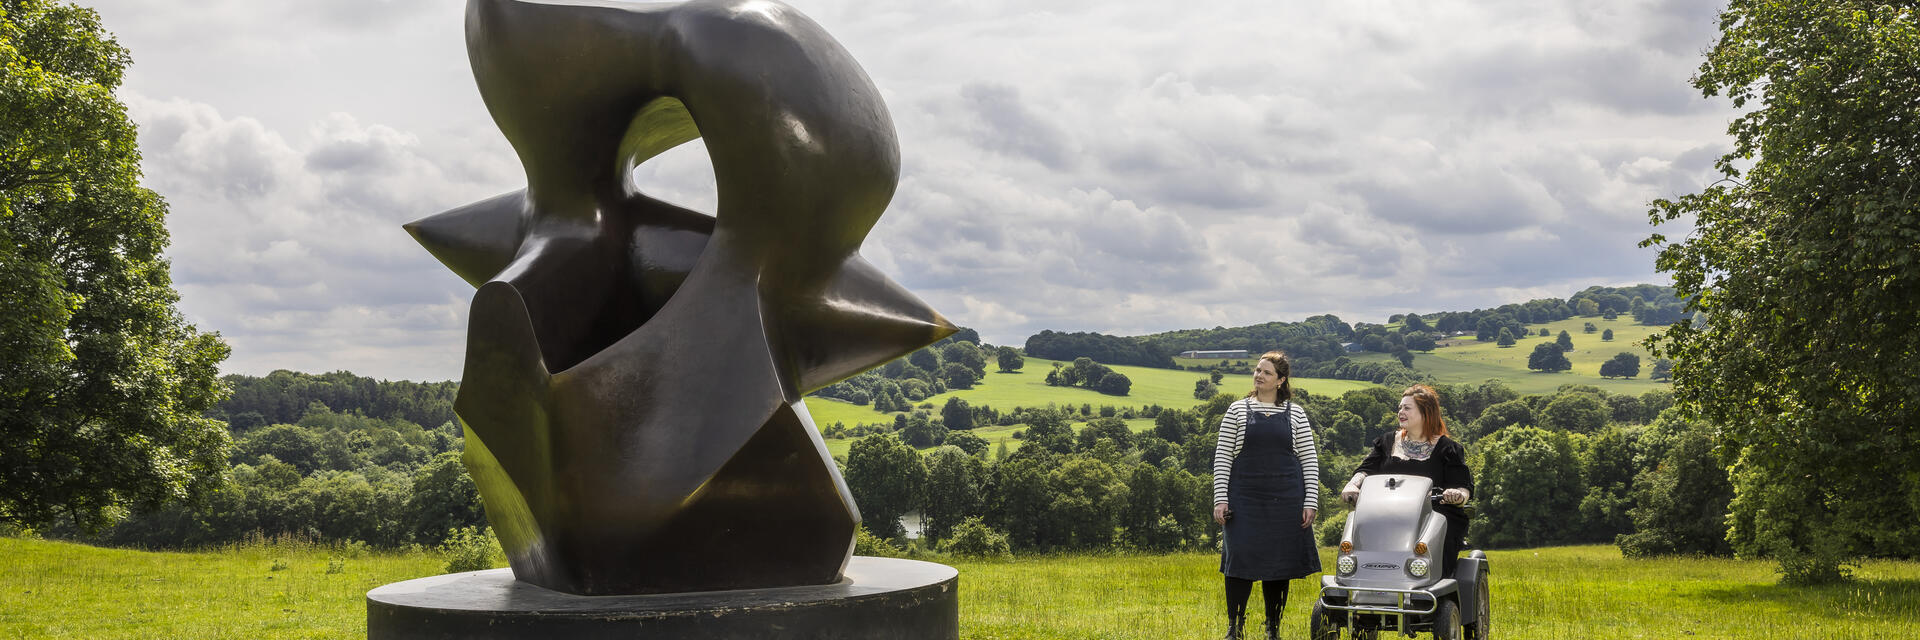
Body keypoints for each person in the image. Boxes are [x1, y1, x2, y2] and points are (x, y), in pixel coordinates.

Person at [1212, 351, 1320, 640]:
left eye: (1266, 372)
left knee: (1278, 565)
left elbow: (1309, 460)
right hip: (1244, 500)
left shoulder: (1296, 413)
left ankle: (1273, 629)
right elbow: (1222, 458)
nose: (1259, 375)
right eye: (1258, 370)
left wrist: (1310, 501)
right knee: (1239, 563)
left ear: (1281, 380)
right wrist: (1220, 499)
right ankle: (1235, 628)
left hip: (1285, 500)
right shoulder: (1236, 410)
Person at [1340, 384, 1474, 577]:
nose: (1400, 412)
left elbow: (1462, 485)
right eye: (1400, 408)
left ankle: (1432, 581)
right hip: (1387, 513)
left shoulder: (1448, 449)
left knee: (1438, 532)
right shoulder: (1386, 442)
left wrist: (1457, 494)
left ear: (1426, 413)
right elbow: (1366, 469)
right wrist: (1353, 484)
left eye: (1407, 408)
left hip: (1433, 515)